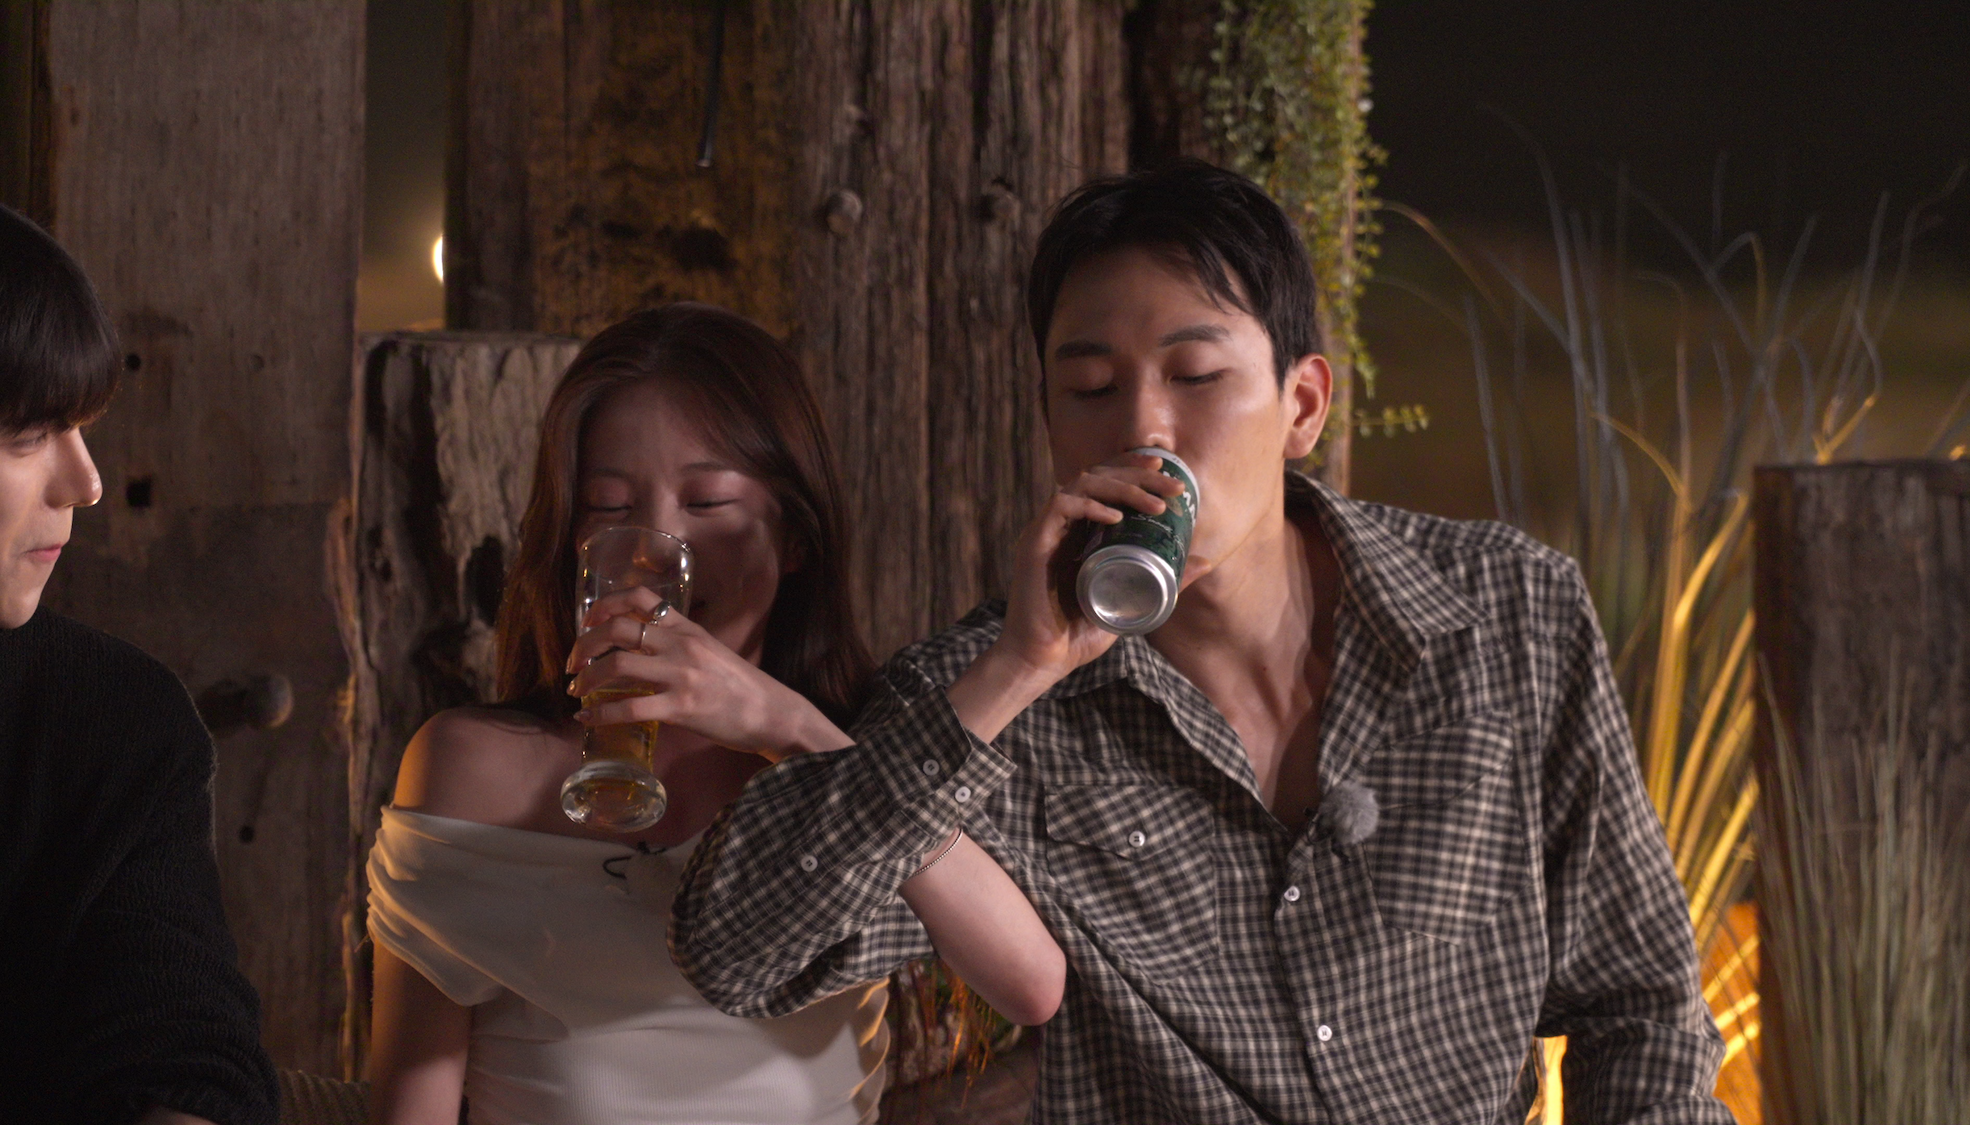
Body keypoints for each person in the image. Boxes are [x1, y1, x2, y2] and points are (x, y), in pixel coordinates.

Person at [670, 162, 1736, 1123]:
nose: (1144, 428)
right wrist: (1018, 672)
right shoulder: (984, 700)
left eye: (1194, 376)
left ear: (1302, 404)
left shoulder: (1511, 616)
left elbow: (1637, 1005)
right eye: (1090, 389)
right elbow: (740, 953)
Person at [365, 303, 1063, 1125]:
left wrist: (785, 724)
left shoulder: (857, 753)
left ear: (794, 538)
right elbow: (410, 1103)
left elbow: (1029, 983)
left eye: (706, 503)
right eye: (609, 506)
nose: (658, 549)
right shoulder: (475, 765)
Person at [0, 204, 279, 1124]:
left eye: (80, 428)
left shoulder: (115, 721)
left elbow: (181, 1047)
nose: (85, 483)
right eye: (26, 434)